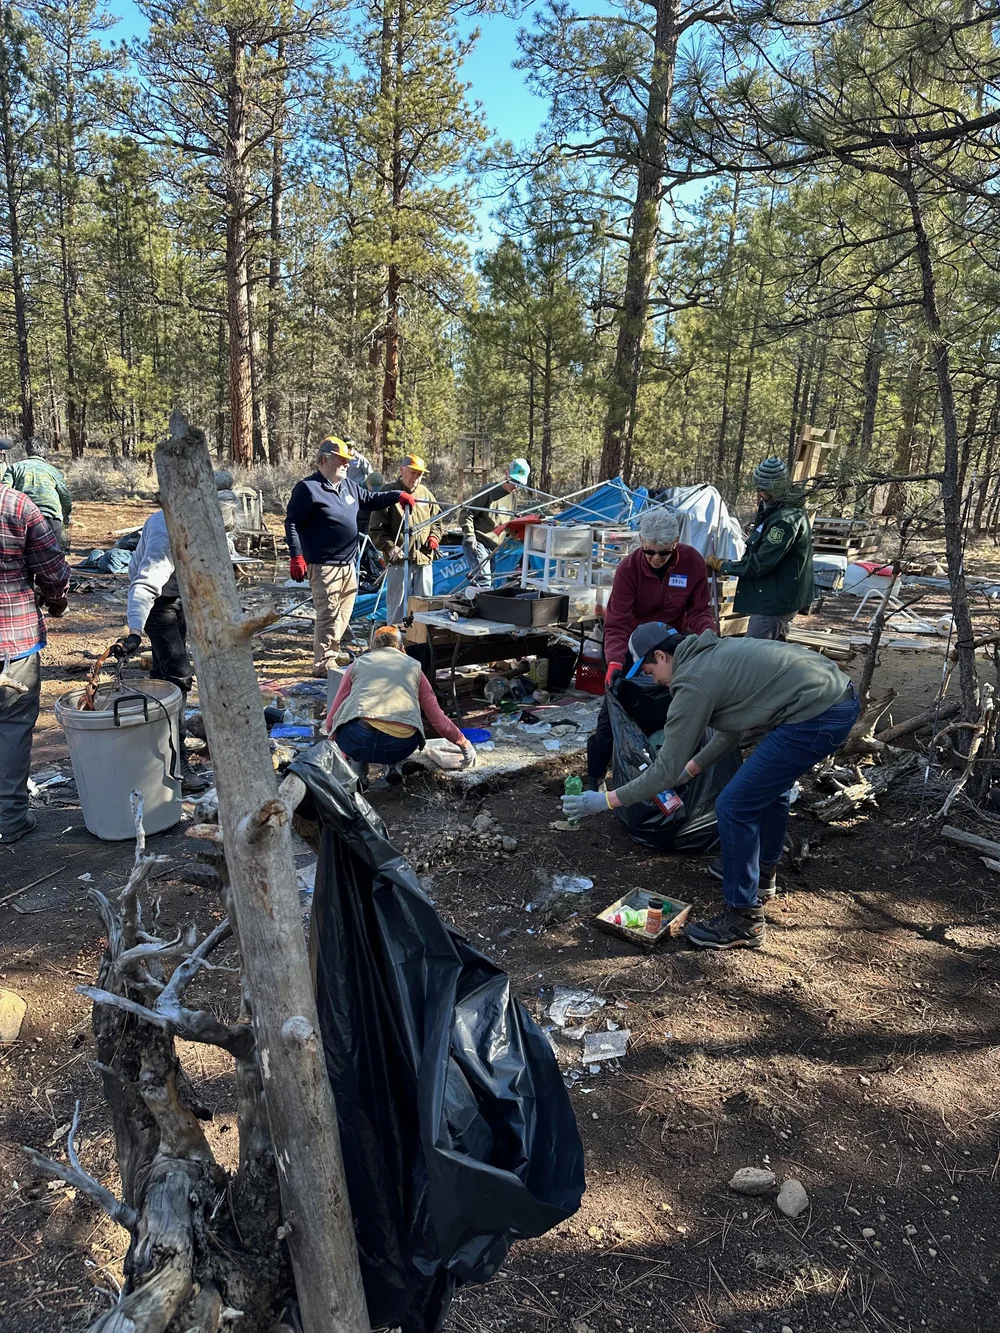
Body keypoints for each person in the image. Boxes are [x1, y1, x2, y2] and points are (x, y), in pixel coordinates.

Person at [561, 621, 859, 951]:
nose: (654, 680)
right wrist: (690, 771)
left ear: (661, 656)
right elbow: (732, 731)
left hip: (817, 714)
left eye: (649, 671)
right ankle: (761, 875)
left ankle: (743, 920)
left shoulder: (691, 681)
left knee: (734, 806)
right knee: (768, 791)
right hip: (834, 698)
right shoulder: (710, 654)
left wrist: (604, 801)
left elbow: (663, 771)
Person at [114, 474, 239, 795]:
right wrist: (134, 631)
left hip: (180, 595)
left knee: (163, 673)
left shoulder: (202, 517)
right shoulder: (166, 534)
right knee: (179, 676)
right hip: (157, 603)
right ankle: (176, 762)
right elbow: (144, 586)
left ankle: (155, 744)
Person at [586, 508, 715, 789]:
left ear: (675, 543)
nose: (656, 558)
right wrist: (615, 662)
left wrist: (708, 639)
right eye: (650, 552)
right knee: (613, 707)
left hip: (671, 644)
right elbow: (617, 623)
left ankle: (669, 770)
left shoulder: (692, 562)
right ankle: (595, 776)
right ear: (642, 542)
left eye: (664, 553)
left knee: (677, 705)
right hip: (631, 644)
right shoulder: (628, 569)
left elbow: (699, 611)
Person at [285, 437, 415, 676]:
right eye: (342, 460)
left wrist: (397, 495)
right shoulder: (308, 488)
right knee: (328, 614)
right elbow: (292, 523)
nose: (347, 464)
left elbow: (371, 500)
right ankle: (323, 664)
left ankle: (332, 652)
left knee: (343, 614)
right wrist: (297, 556)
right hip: (324, 565)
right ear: (325, 460)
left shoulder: (348, 486)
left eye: (348, 460)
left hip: (348, 564)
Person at [0, 479, 70, 843]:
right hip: (12, 639)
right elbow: (52, 568)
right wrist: (56, 597)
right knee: (11, 725)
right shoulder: (16, 505)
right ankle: (9, 819)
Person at [325, 624, 475, 785]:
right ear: (402, 649)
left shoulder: (358, 664)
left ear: (373, 648)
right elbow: (437, 719)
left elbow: (332, 717)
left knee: (356, 726)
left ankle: (358, 774)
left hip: (358, 741)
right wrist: (464, 744)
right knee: (396, 726)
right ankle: (392, 765)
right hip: (398, 746)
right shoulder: (414, 667)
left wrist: (338, 743)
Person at [705, 457, 814, 641]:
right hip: (777, 596)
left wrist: (725, 566)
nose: (758, 493)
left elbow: (761, 563)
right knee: (774, 651)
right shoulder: (775, 508)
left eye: (761, 490)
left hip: (774, 603)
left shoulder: (784, 521)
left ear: (772, 491)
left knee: (751, 651)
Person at [368, 453, 443, 624]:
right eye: (412, 472)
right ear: (402, 470)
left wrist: (434, 537)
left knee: (424, 607)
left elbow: (437, 521)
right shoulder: (389, 493)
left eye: (419, 474)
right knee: (397, 607)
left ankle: (421, 638)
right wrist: (389, 547)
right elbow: (376, 528)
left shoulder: (425, 493)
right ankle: (394, 638)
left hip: (423, 560)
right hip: (399, 562)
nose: (416, 477)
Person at [460, 457, 529, 587]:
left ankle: (472, 598)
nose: (515, 486)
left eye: (519, 484)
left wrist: (518, 534)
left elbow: (507, 523)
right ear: (506, 473)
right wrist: (469, 535)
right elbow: (466, 512)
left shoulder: (513, 498)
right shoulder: (489, 491)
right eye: (514, 481)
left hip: (493, 547)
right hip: (478, 542)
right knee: (484, 582)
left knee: (488, 584)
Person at [1, 440, 73, 549]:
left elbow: (4, 491)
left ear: (27, 451)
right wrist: (65, 516)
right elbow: (65, 498)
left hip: (23, 517)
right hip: (51, 518)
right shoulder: (54, 471)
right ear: (46, 452)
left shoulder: (14, 468)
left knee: (23, 553)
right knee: (54, 555)